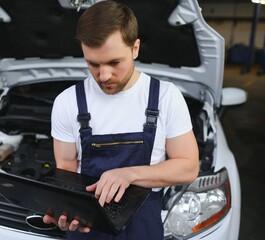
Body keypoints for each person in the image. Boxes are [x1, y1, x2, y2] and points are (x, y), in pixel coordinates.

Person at [43, 1, 199, 239]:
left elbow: (188, 166)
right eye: (93, 64)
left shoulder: (166, 97)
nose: (104, 75)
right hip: (87, 228)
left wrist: (129, 175)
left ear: (135, 49)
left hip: (143, 229)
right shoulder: (68, 102)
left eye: (114, 63)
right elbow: (66, 169)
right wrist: (66, 212)